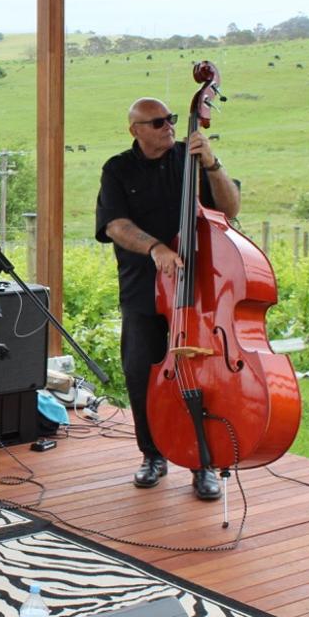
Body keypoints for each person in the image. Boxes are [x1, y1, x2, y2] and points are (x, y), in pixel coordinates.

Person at [95, 97, 241, 501]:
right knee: (142, 374)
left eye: (171, 119)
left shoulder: (191, 160)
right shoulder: (118, 169)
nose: (168, 127)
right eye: (157, 122)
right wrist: (157, 248)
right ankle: (152, 455)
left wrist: (212, 163)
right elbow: (114, 225)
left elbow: (229, 209)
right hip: (144, 289)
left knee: (205, 378)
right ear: (135, 130)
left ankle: (204, 463)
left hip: (198, 294)